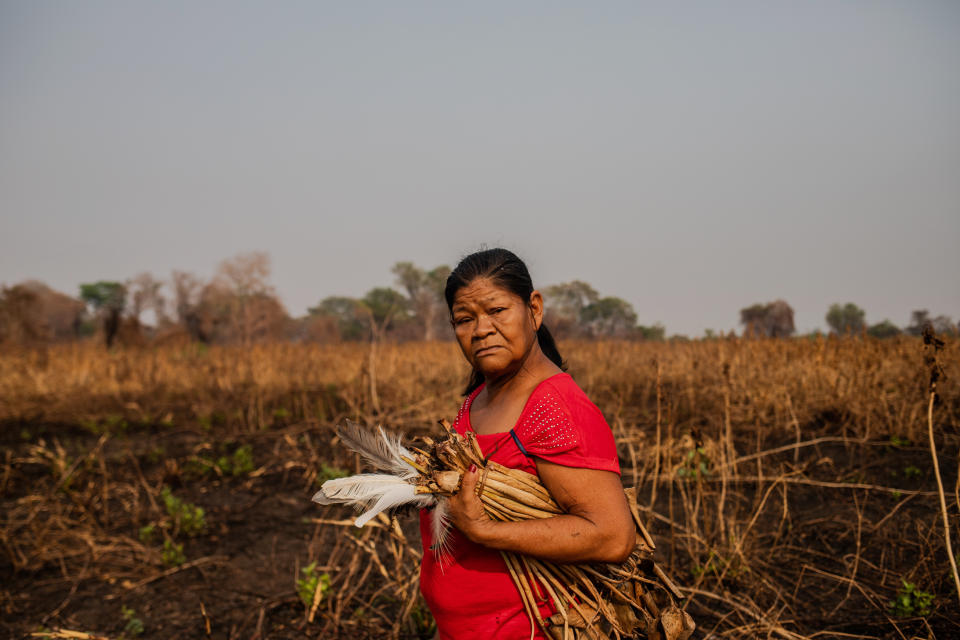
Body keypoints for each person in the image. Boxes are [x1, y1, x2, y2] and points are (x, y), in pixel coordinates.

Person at [419, 248, 636, 640]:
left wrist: (485, 531)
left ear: (534, 309)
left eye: (497, 310)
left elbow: (612, 534)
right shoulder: (476, 401)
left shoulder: (556, 408)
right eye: (465, 319)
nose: (481, 329)